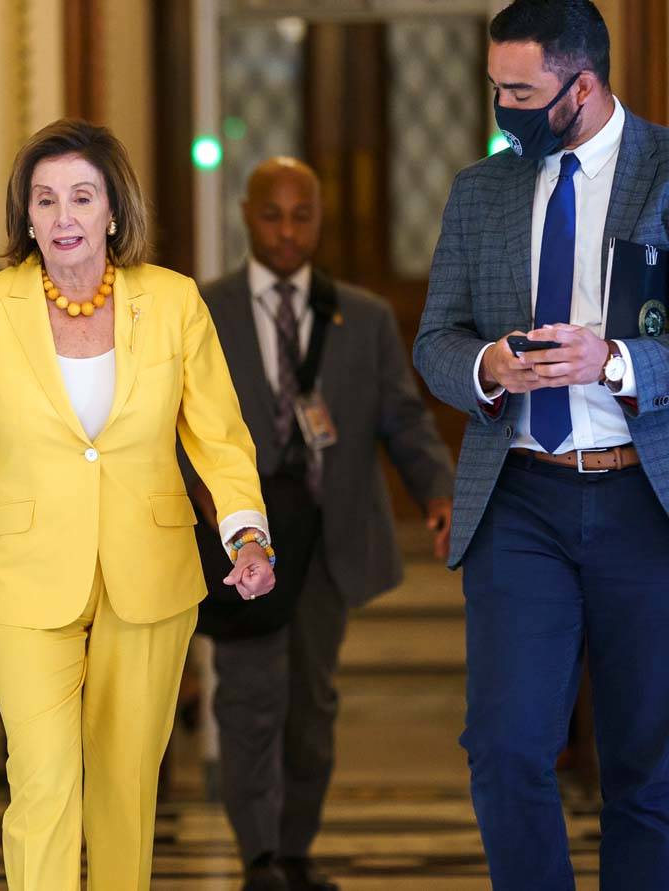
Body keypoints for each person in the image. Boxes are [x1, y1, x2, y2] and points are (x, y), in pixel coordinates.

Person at [0, 118, 276, 891]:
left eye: (81, 197)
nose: (63, 217)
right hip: (23, 578)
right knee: (41, 784)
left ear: (114, 210)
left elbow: (220, 437)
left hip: (150, 574)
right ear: (26, 216)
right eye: (44, 201)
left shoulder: (173, 302)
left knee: (123, 788)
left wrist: (247, 537)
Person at [414, 2, 669, 887]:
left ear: (584, 86)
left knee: (648, 765)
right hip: (522, 494)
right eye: (494, 87)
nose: (501, 106)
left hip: (647, 498)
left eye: (520, 91)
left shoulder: (667, 171)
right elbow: (433, 342)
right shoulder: (480, 190)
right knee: (506, 748)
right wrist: (486, 364)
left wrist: (620, 360)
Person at [189, 158, 454, 891]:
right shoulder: (202, 310)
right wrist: (199, 499)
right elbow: (169, 421)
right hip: (238, 544)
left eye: (301, 214)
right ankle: (259, 857)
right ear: (246, 214)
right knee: (247, 697)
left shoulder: (361, 317)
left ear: (320, 219)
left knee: (311, 700)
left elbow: (403, 417)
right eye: (271, 214)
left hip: (327, 539)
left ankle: (296, 847)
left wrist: (439, 488)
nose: (286, 230)